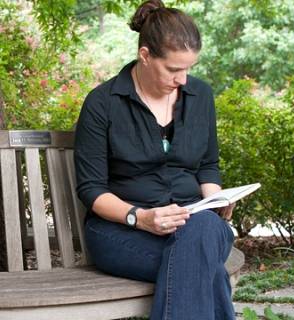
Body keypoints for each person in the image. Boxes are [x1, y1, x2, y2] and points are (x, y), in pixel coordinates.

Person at [74, 0, 236, 319]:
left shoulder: (200, 97)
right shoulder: (102, 103)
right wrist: (142, 217)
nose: (183, 80)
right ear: (145, 56)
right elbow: (92, 189)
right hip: (123, 230)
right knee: (206, 264)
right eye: (174, 69)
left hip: (195, 221)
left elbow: (207, 164)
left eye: (189, 69)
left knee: (203, 229)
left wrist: (215, 198)